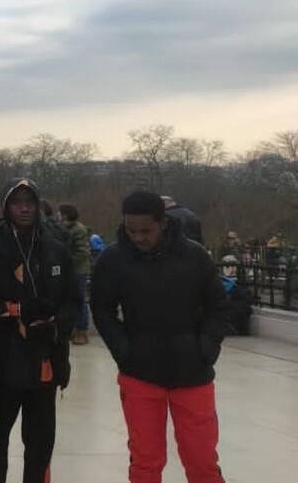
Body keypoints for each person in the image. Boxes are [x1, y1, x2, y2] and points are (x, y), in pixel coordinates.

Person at [91, 191, 228, 483]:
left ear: (164, 223)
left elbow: (218, 305)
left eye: (145, 231)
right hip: (139, 373)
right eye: (131, 230)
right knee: (145, 461)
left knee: (202, 460)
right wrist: (123, 350)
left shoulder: (194, 256)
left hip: (193, 372)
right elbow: (101, 309)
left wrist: (207, 346)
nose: (138, 237)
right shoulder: (113, 259)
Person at [0, 179, 78, 483]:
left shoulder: (57, 245)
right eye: (17, 202)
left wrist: (58, 325)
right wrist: (14, 311)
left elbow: (73, 298)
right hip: (0, 358)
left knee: (41, 442)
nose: (25, 207)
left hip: (45, 357)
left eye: (30, 200)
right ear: (6, 205)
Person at [58, 204, 92, 345]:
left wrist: (68, 264)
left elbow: (82, 252)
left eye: (59, 214)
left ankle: (81, 331)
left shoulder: (78, 230)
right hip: (68, 271)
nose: (57, 216)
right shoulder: (64, 229)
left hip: (78, 270)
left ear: (65, 215)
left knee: (80, 300)